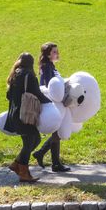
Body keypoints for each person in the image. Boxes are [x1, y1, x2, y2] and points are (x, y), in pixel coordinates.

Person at [4, 52, 51, 183]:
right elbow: (37, 93)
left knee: (33, 140)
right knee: (32, 140)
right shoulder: (29, 75)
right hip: (25, 115)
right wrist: (51, 103)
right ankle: (24, 173)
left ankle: (17, 164)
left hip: (15, 115)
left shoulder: (14, 75)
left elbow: (8, 96)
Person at [33, 42, 71, 172]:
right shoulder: (47, 67)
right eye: (54, 51)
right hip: (52, 103)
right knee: (58, 132)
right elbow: (49, 85)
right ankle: (52, 161)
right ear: (48, 54)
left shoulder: (50, 66)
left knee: (57, 132)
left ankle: (50, 160)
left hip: (56, 103)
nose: (57, 53)